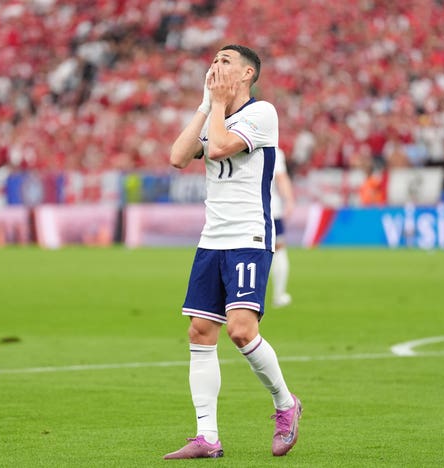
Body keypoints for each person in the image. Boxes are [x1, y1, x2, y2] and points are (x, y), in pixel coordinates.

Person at [164, 44, 302, 460]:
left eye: (225, 61)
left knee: (241, 330)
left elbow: (221, 146)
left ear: (247, 74)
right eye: (213, 60)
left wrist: (218, 107)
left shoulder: (263, 114)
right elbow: (176, 157)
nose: (215, 65)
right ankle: (207, 436)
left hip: (248, 236)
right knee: (200, 332)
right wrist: (206, 103)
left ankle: (285, 404)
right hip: (212, 239)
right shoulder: (215, 114)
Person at [271, 147, 295, 308]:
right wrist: (289, 200)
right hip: (270, 209)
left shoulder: (235, 146)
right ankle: (279, 295)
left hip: (242, 211)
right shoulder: (274, 151)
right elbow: (281, 177)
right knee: (278, 249)